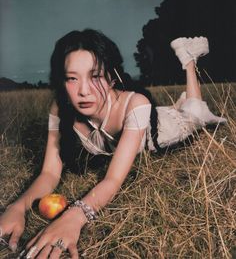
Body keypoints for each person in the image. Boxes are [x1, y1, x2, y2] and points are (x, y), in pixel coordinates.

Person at [0, 29, 226, 258]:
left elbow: (113, 179)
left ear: (111, 77)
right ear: (62, 82)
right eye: (72, 78)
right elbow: (49, 173)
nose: (83, 91)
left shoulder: (135, 103)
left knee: (195, 114)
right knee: (190, 109)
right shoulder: (60, 109)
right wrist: (17, 207)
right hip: (139, 122)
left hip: (163, 128)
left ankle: (188, 61)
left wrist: (75, 216)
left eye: (95, 76)